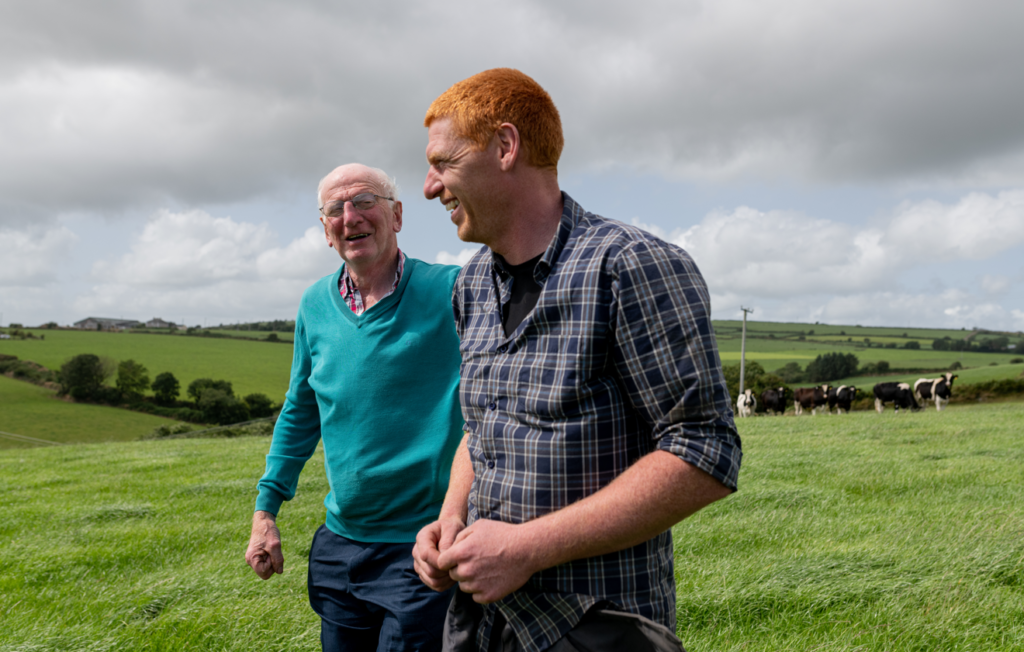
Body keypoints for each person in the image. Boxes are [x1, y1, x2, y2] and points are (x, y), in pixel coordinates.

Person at [412, 69, 742, 652]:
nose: (429, 187)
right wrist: (450, 518)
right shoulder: (470, 286)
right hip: (480, 621)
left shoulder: (631, 265)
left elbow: (705, 451)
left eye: (443, 163)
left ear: (505, 147)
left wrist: (525, 549)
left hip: (594, 625)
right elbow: (482, 423)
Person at [245, 163, 464, 652]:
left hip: (422, 544)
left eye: (365, 201)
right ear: (325, 230)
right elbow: (301, 411)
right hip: (339, 544)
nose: (350, 217)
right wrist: (266, 511)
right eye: (335, 209)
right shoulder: (314, 306)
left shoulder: (453, 290)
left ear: (398, 215)